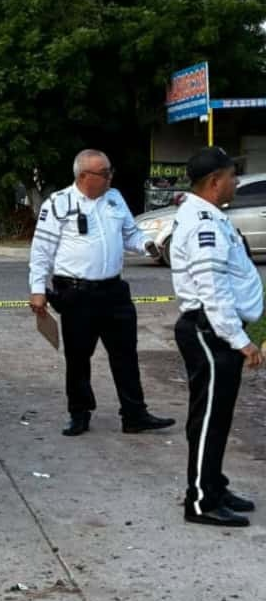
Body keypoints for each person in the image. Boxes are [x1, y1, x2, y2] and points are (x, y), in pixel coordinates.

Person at [28, 149, 175, 436]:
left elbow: (130, 234)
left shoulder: (114, 198)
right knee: (79, 357)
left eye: (109, 172)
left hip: (114, 291)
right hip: (76, 293)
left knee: (126, 355)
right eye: (104, 173)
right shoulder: (58, 204)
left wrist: (146, 244)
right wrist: (37, 290)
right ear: (84, 176)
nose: (110, 177)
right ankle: (79, 413)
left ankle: (134, 414)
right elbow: (41, 250)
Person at [170, 147, 264, 527]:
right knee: (209, 418)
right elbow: (213, 291)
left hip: (215, 331)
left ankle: (213, 484)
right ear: (214, 182)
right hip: (210, 332)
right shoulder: (204, 224)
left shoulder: (210, 217)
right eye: (231, 176)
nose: (236, 182)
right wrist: (240, 339)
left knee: (218, 416)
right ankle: (201, 502)